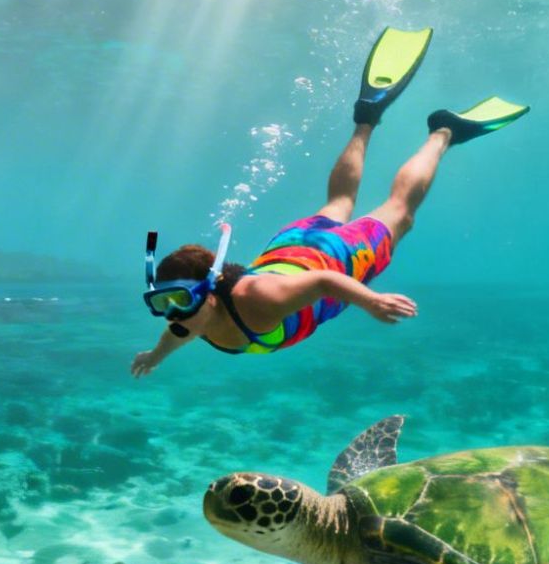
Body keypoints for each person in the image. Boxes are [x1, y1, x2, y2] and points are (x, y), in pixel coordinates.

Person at [132, 28, 527, 374]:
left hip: (334, 257)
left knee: (400, 212)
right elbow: (176, 333)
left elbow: (323, 281)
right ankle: (366, 118)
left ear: (211, 292)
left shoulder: (259, 301)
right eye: (163, 302)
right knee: (338, 202)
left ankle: (444, 132)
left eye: (180, 300)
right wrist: (155, 355)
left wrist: (371, 301)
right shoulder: (188, 317)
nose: (173, 313)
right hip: (291, 247)